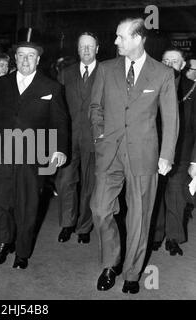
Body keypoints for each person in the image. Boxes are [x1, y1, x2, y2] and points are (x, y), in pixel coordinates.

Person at [89, 18, 179, 294]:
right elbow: (95, 108)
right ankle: (111, 261)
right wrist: (101, 136)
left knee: (140, 217)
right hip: (110, 152)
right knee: (100, 209)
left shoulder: (162, 73)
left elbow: (171, 117)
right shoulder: (105, 69)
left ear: (138, 39)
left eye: (120, 37)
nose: (115, 42)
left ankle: (131, 272)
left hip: (144, 154)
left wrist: (166, 155)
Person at [0, 27, 68, 269]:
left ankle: (22, 251)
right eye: (21, 55)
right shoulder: (0, 84)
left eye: (31, 56)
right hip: (1, 152)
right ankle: (2, 242)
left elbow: (59, 122)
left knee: (27, 205)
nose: (25, 60)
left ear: (38, 60)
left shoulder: (51, 88)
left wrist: (59, 149)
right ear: (15, 58)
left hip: (33, 154)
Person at [55, 32, 99, 244]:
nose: (87, 50)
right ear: (78, 49)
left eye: (90, 46)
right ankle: (67, 224)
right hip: (69, 138)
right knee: (65, 182)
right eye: (83, 47)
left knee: (91, 185)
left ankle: (84, 227)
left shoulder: (106, 72)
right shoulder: (66, 73)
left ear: (97, 49)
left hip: (94, 139)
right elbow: (58, 107)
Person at [152, 48, 196, 255]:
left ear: (182, 65)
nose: (170, 65)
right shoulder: (151, 86)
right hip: (154, 150)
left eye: (174, 61)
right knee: (156, 193)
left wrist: (195, 161)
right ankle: (156, 235)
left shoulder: (192, 89)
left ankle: (174, 238)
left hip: (181, 153)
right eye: (166, 60)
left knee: (176, 195)